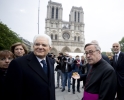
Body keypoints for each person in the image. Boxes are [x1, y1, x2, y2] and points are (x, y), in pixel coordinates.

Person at [4, 34, 55, 100]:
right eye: (37, 44)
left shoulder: (50, 62)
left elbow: (50, 87)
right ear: (33, 46)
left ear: (50, 48)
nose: (40, 47)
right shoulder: (18, 63)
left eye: (44, 45)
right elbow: (11, 92)